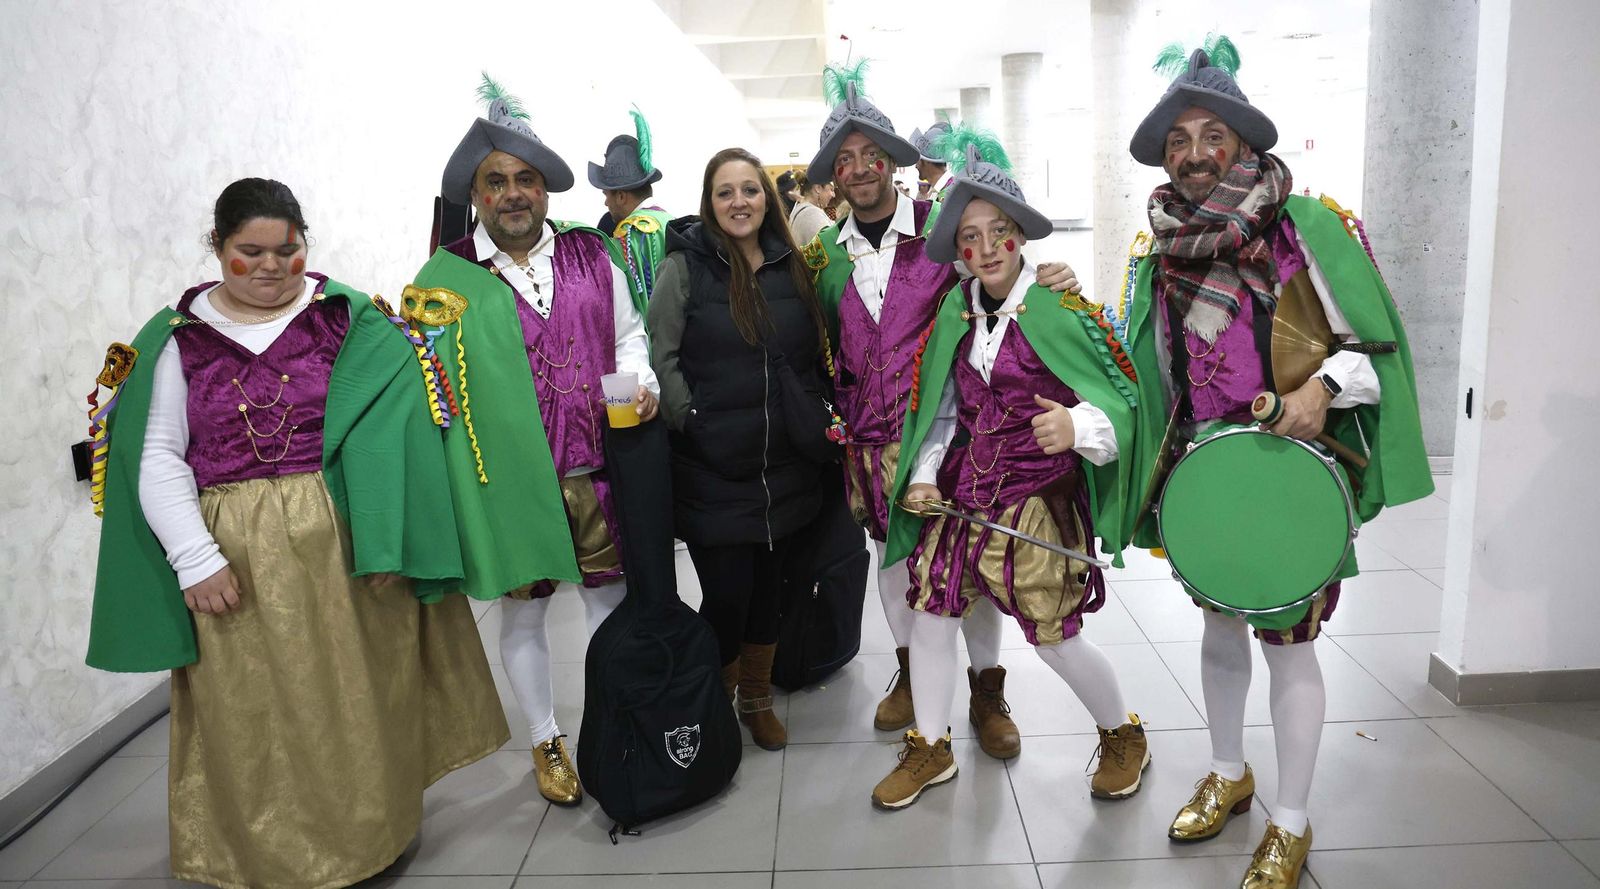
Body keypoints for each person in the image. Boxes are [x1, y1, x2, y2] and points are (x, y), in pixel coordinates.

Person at [84, 178, 507, 888]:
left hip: (344, 539)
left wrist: (390, 536)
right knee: (254, 709)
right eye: (250, 251)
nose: (272, 265)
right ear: (216, 247)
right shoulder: (175, 340)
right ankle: (269, 850)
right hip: (236, 552)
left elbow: (394, 433)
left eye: (289, 248)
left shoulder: (345, 320)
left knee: (359, 692)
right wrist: (194, 558)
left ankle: (370, 832)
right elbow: (156, 455)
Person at [1123, 47, 1432, 888]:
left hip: (1291, 478)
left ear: (1244, 143)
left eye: (1211, 134)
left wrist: (1324, 388)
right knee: (1220, 630)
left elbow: (1377, 353)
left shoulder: (1308, 231)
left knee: (1290, 648)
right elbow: (1146, 374)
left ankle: (1290, 820)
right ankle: (1230, 772)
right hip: (1206, 482)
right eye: (1178, 138)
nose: (1192, 152)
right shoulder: (1158, 251)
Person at [802, 66, 1081, 760]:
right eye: (846, 160)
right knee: (893, 565)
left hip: (947, 437)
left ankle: (987, 688)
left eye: (873, 156)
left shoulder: (944, 232)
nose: (862, 170)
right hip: (868, 448)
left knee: (972, 571)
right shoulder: (825, 260)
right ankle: (907, 669)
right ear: (833, 176)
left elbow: (1001, 283)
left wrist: (1055, 277)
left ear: (894, 162)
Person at [873, 137, 1148, 810]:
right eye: (970, 237)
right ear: (959, 251)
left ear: (1020, 234)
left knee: (1053, 636)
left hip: (1036, 498)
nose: (987, 247)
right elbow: (938, 409)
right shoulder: (953, 312)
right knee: (932, 613)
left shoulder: (1063, 307)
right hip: (964, 495)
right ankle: (931, 745)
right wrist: (928, 473)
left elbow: (1123, 403)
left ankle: (1122, 732)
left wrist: (1077, 428)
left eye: (999, 231)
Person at [414, 75, 659, 806]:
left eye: (526, 179)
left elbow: (628, 336)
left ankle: (614, 718)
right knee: (523, 611)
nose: (513, 193)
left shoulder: (593, 256)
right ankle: (546, 735)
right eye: (497, 181)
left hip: (598, 466)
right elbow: (434, 392)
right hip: (511, 483)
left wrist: (639, 379)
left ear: (546, 190)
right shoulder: (446, 279)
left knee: (608, 603)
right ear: (477, 194)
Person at [647, 147, 833, 751]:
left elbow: (814, 354)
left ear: (767, 197)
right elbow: (662, 356)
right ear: (709, 202)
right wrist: (691, 419)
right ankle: (717, 696)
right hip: (712, 469)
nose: (739, 203)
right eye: (725, 192)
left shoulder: (792, 264)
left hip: (787, 469)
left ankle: (755, 696)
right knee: (726, 597)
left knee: (773, 592)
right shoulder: (686, 267)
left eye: (750, 190)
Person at [590, 108, 672, 304]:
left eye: (606, 195)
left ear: (620, 196)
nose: (605, 203)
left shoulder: (630, 233)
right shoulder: (668, 220)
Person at [909, 120, 954, 202]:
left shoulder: (951, 191)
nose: (915, 166)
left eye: (918, 160)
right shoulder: (943, 189)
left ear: (926, 161)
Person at [788, 171, 834, 246]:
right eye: (831, 190)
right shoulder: (812, 215)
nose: (833, 195)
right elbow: (829, 249)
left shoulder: (799, 208)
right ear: (818, 188)